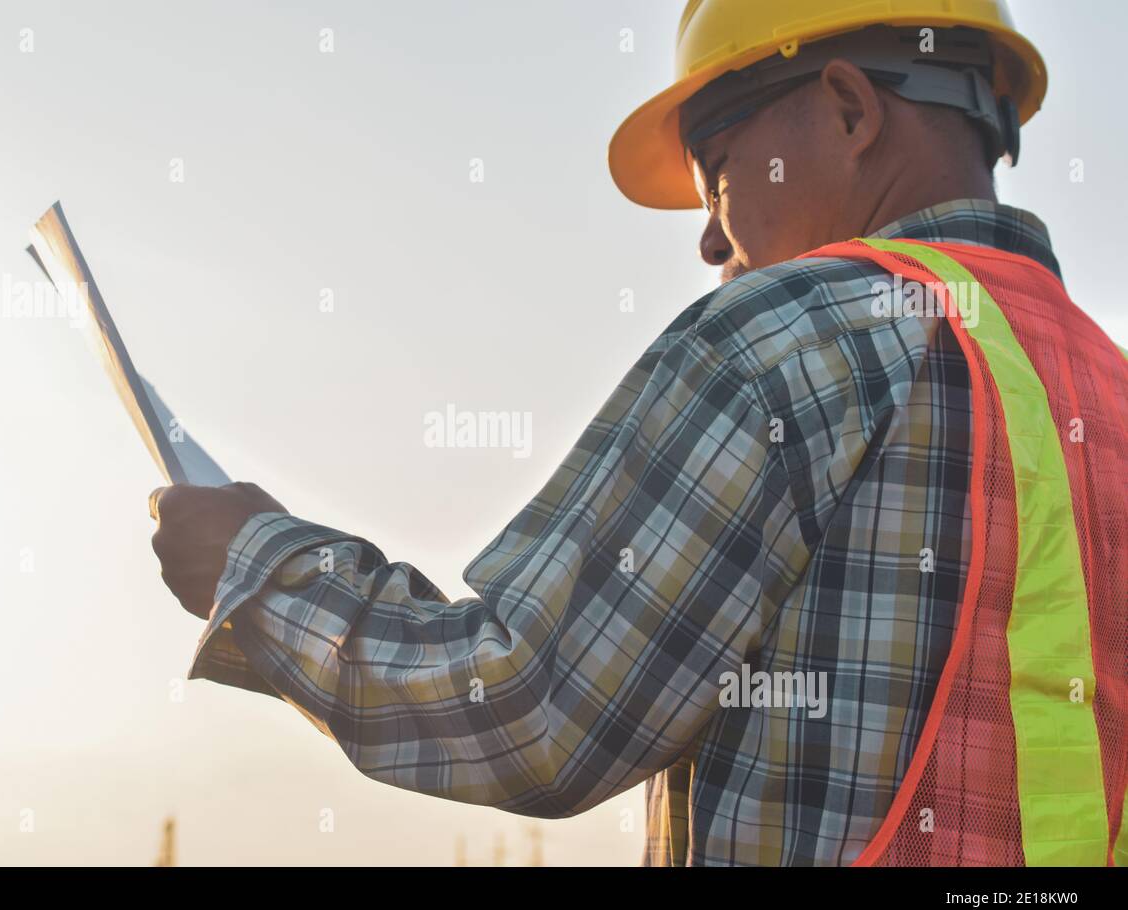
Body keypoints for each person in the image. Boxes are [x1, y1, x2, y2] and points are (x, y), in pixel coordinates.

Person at [150, 0, 1128, 865]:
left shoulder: (793, 333)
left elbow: (530, 712)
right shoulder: (1107, 387)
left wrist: (259, 570)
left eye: (715, 169)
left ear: (847, 110)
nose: (708, 235)